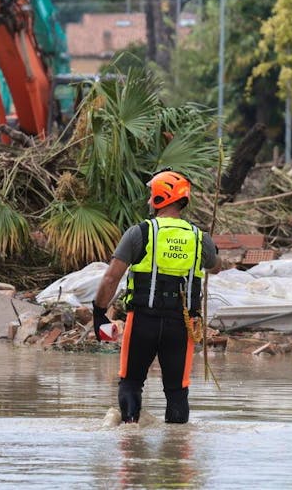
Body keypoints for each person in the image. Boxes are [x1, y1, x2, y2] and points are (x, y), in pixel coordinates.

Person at [92, 169, 218, 425]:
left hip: (143, 321)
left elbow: (110, 278)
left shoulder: (139, 233)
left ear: (162, 198)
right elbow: (215, 266)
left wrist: (98, 311)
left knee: (131, 382)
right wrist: (211, 247)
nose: (149, 200)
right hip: (182, 326)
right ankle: (177, 445)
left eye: (152, 195)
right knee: (177, 392)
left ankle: (129, 435)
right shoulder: (199, 238)